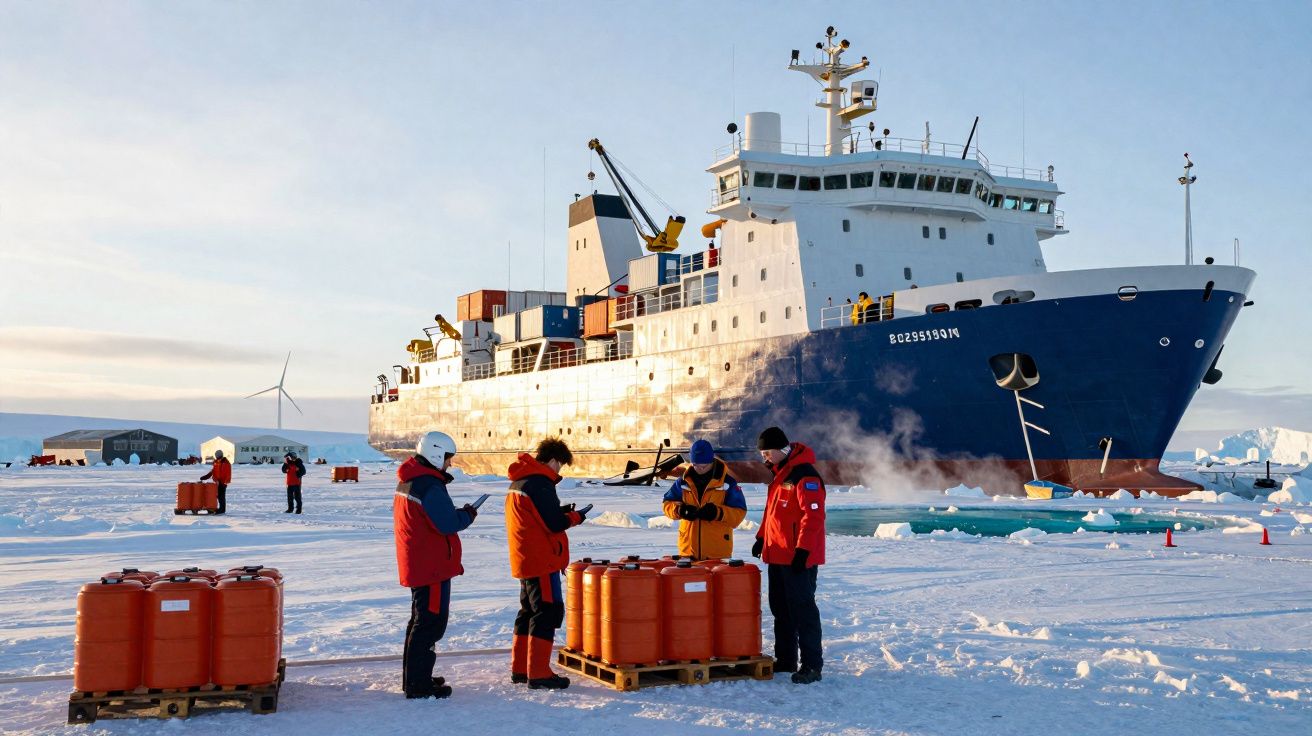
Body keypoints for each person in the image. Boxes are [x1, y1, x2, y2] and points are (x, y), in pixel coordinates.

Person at [393, 431, 479, 699]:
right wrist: (468, 514)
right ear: (436, 455)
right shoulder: (429, 485)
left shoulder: (412, 480)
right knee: (430, 623)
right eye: (448, 458)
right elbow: (447, 523)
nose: (450, 463)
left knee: (420, 622)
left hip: (420, 563)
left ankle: (415, 677)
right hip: (431, 567)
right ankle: (418, 685)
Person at [505, 438, 588, 690]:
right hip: (542, 560)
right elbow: (554, 523)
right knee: (547, 611)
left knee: (528, 611)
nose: (559, 470)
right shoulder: (540, 483)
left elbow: (537, 516)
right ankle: (539, 673)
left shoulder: (520, 481)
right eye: (560, 465)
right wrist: (575, 517)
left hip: (525, 558)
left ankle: (521, 669)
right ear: (553, 460)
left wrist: (558, 510)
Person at [752, 426, 826, 684]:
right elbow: (772, 513)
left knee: (803, 610)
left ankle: (812, 666)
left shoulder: (804, 475)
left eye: (767, 452)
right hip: (777, 555)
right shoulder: (780, 474)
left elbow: (812, 516)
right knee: (781, 609)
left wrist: (803, 550)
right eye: (762, 453)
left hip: (798, 557)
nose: (764, 457)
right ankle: (786, 659)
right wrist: (762, 537)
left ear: (781, 449)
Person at [662, 439, 747, 560]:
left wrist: (717, 513)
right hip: (688, 552)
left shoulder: (727, 483)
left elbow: (739, 513)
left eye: (703, 466)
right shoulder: (683, 482)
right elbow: (667, 504)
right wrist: (680, 510)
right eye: (695, 465)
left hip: (717, 553)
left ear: (711, 461)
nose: (699, 469)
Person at [199, 449, 232, 514]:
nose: (216, 456)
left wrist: (225, 482)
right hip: (217, 482)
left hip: (222, 482)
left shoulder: (226, 463)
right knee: (217, 496)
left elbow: (228, 473)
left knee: (221, 496)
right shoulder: (216, 462)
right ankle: (217, 508)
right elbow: (213, 471)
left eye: (217, 455)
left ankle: (222, 510)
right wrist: (206, 476)